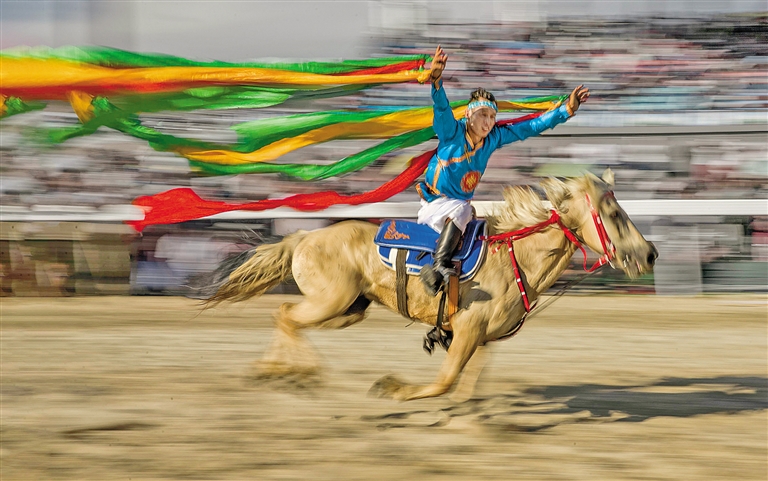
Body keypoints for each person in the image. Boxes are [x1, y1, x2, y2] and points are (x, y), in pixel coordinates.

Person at [418, 45, 590, 296]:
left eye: (492, 117)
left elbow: (530, 127)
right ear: (468, 115)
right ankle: (437, 266)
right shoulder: (451, 133)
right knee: (463, 209)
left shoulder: (493, 139)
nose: (488, 122)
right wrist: (436, 81)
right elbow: (442, 108)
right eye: (482, 115)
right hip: (438, 204)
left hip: (459, 208)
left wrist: (566, 111)